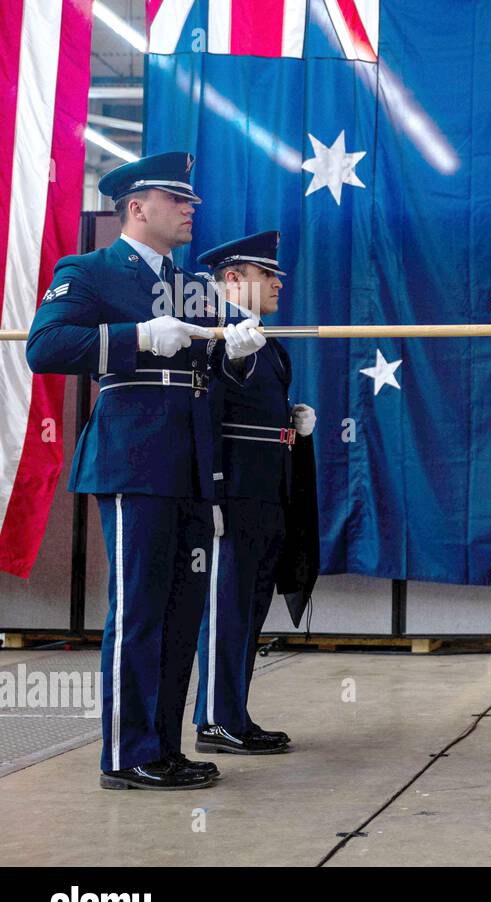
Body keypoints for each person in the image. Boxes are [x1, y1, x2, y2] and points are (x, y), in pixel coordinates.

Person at [26, 152, 266, 790]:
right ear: (137, 206)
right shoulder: (91, 270)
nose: (192, 209)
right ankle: (126, 755)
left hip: (189, 459)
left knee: (181, 608)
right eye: (178, 199)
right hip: (134, 454)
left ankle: (162, 745)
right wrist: (134, 336)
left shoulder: (192, 287)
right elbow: (44, 347)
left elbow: (213, 373)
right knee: (137, 608)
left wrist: (238, 356)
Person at [193, 230, 315, 756]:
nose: (279, 283)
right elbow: (207, 414)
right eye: (269, 275)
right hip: (234, 490)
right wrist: (213, 494)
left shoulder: (267, 343)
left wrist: (288, 425)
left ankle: (233, 714)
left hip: (267, 489)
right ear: (235, 280)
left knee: (249, 606)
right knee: (225, 606)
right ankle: (216, 719)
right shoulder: (212, 336)